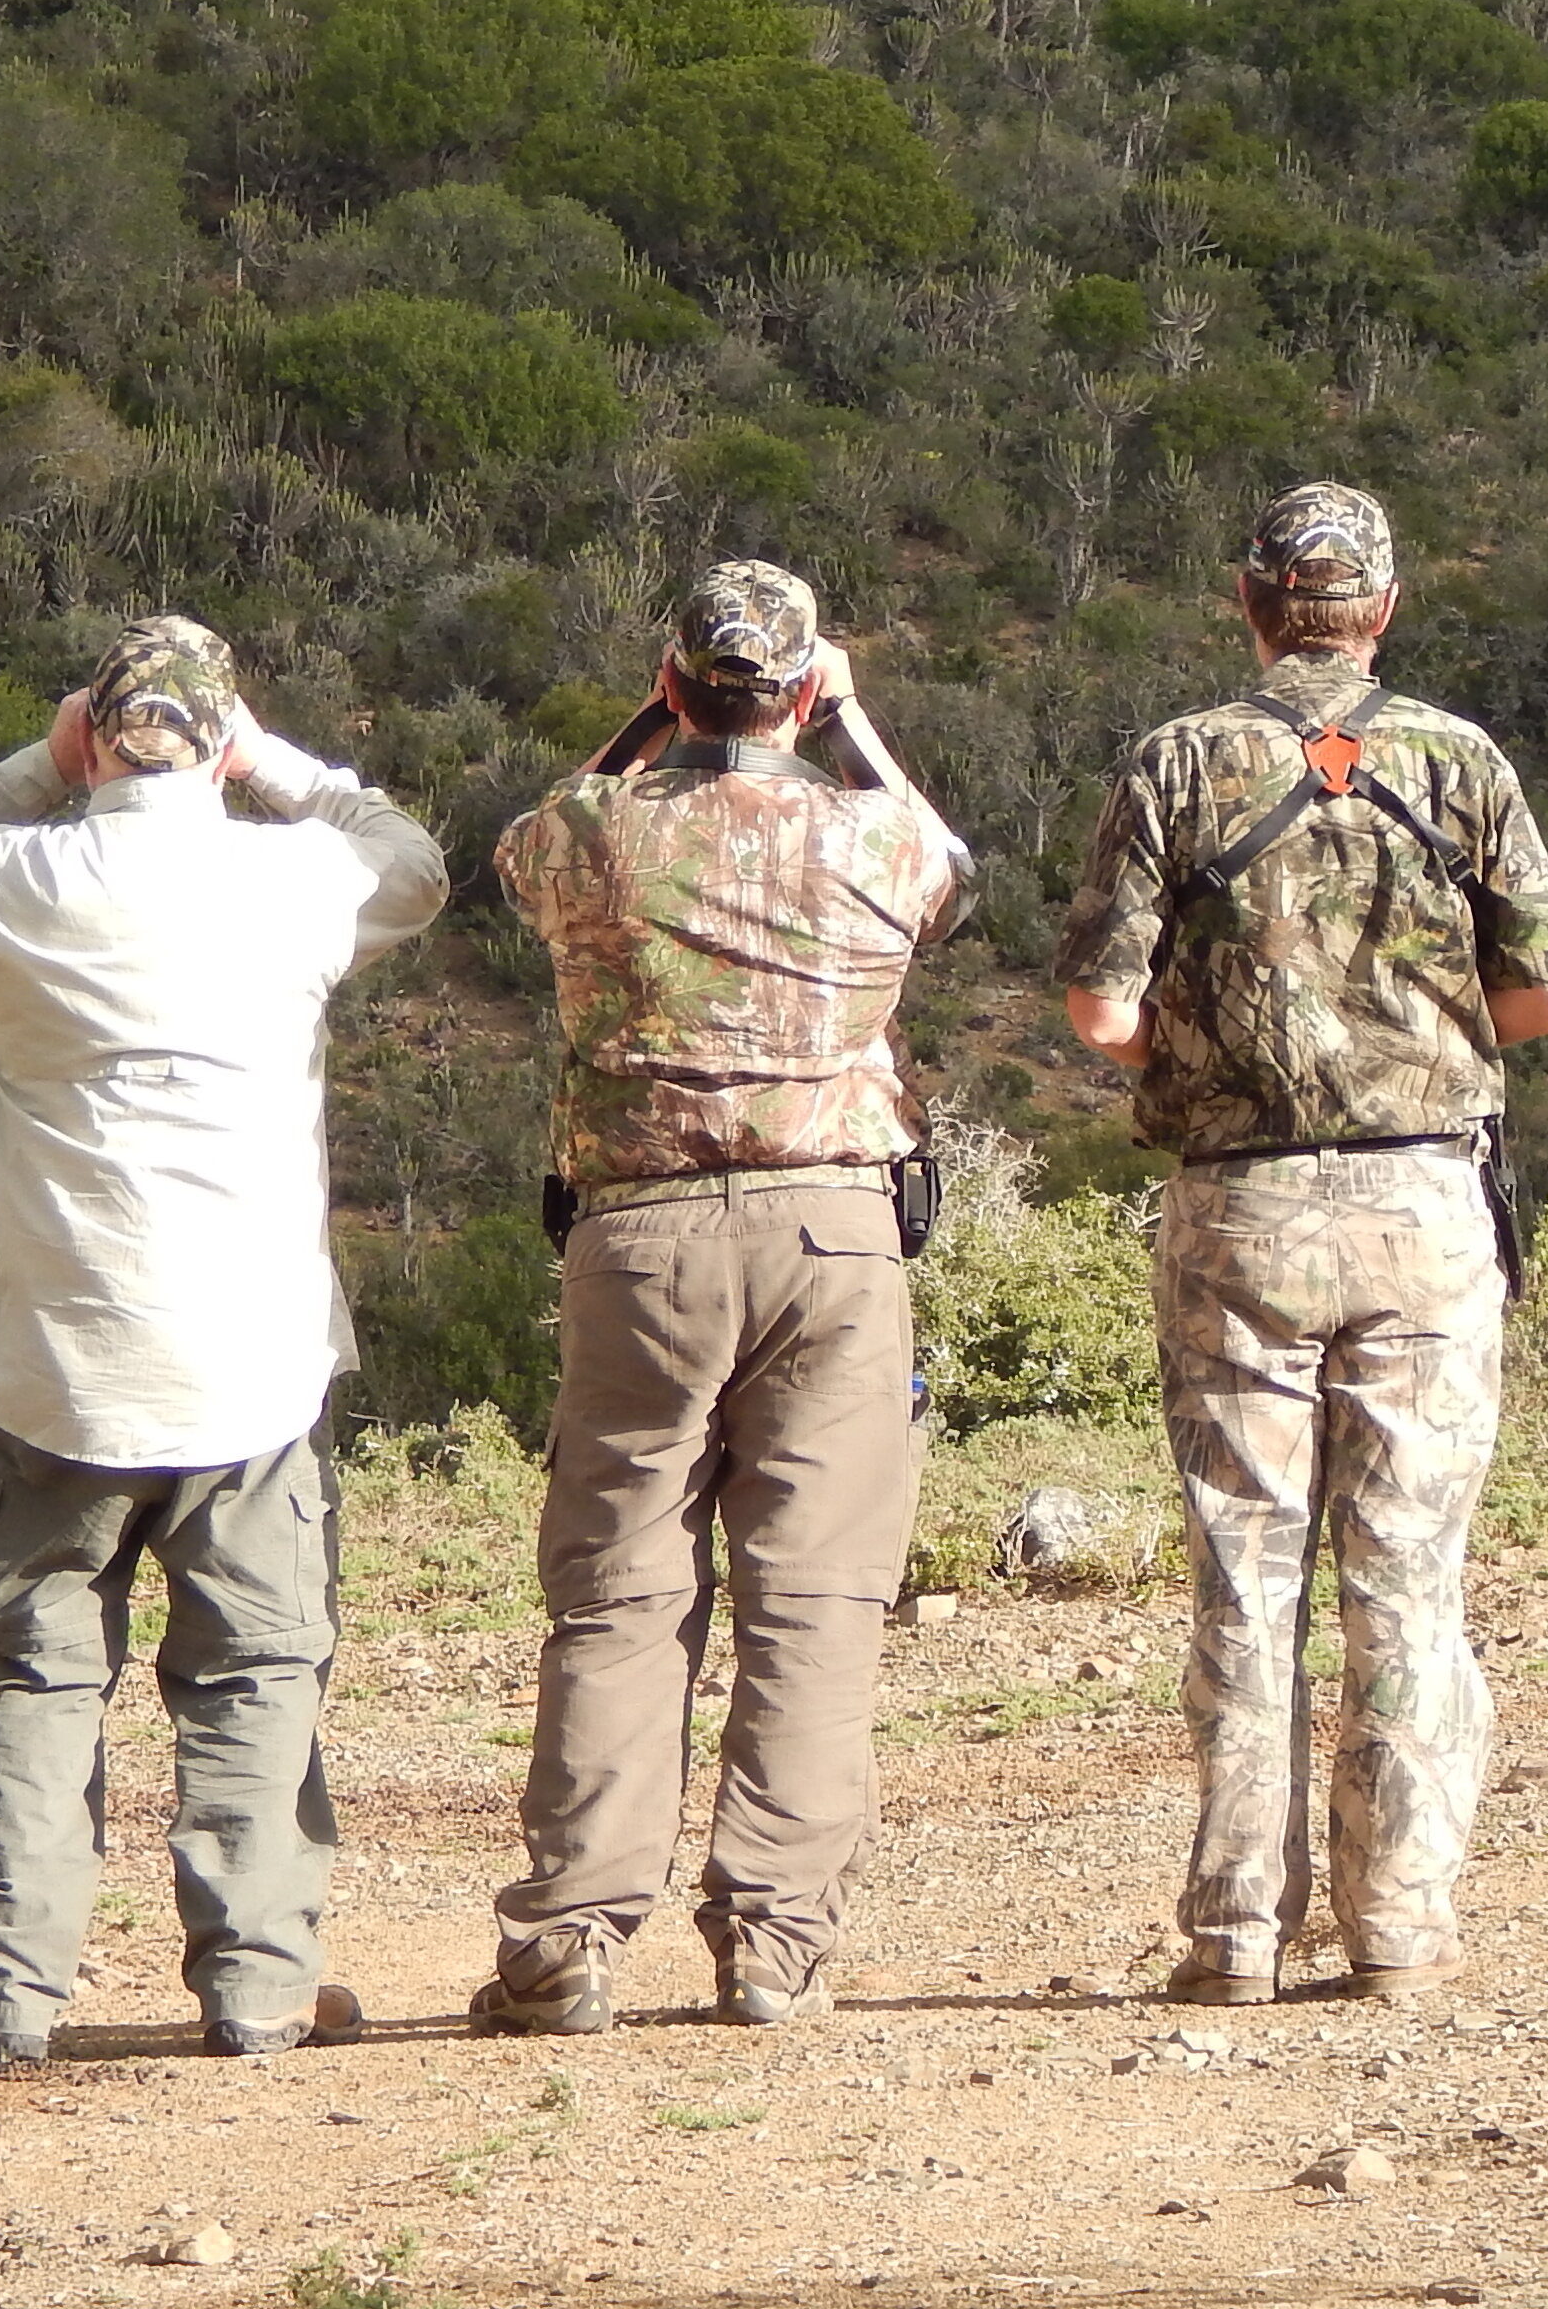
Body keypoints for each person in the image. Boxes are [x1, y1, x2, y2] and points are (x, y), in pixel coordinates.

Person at [0, 615, 447, 2072]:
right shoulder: (298, 879)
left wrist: (28, 765)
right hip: (250, 1362)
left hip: (59, 1357)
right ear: (221, 734)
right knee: (254, 1675)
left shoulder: (11, 877)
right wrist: (281, 767)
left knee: (37, 1682)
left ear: (98, 735)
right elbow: (413, 863)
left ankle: (6, 1999)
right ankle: (255, 1989)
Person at [1055, 482, 1548, 2006]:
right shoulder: (1461, 760)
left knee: (1244, 1569)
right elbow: (1547, 1001)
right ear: (1387, 608)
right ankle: (1399, 1930)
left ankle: (1232, 1935)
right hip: (1424, 1205)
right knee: (1410, 1576)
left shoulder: (1176, 763)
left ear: (1251, 601)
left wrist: (1206, 1047)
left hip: (1242, 1209)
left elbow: (1099, 1013)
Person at [477, 561, 973, 2035]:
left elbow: (524, 840)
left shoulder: (589, 834)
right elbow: (954, 865)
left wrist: (651, 722)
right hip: (834, 1237)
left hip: (639, 1237)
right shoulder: (868, 832)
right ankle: (775, 1940)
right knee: (814, 1600)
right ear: (809, 691)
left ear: (674, 681)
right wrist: (850, 722)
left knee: (618, 1594)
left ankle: (571, 1938)